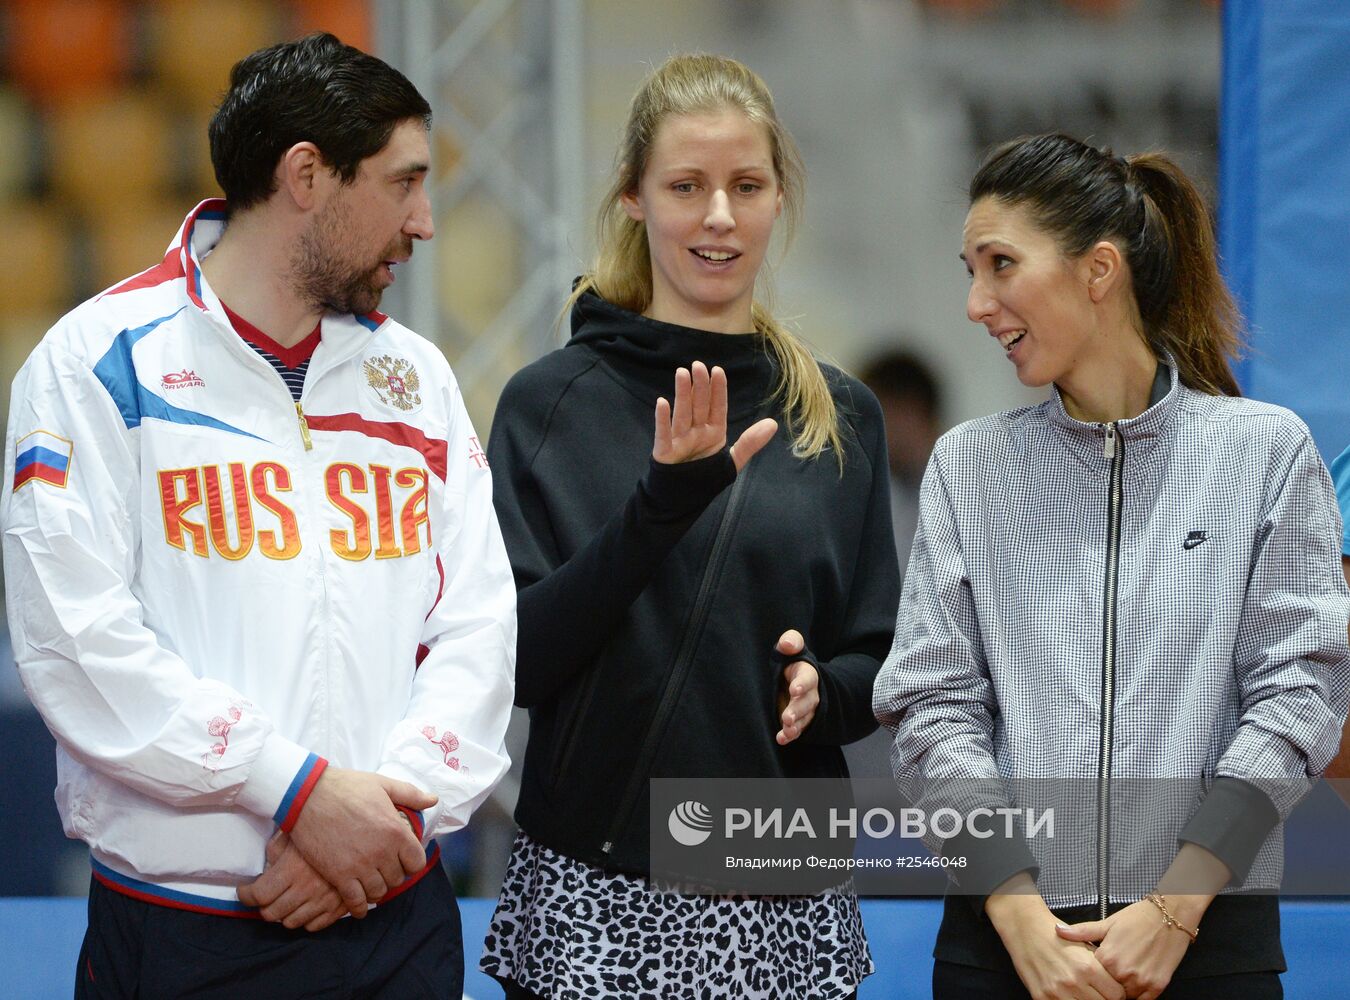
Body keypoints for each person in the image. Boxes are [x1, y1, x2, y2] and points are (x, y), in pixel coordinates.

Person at [1, 33, 516, 998]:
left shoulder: (417, 380)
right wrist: (293, 789)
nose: (427, 221)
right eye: (404, 184)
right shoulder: (95, 361)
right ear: (308, 176)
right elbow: (75, 640)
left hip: (397, 919)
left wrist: (383, 827)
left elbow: (479, 625)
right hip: (183, 933)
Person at [874, 133, 1350, 1000]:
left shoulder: (1267, 453)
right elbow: (930, 705)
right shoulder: (969, 467)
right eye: (969, 269)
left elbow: (1300, 695)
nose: (977, 303)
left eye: (1000, 265)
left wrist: (1175, 908)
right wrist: (1019, 917)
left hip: (1209, 948)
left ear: (1098, 271)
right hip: (1000, 953)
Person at [478, 53, 900, 999]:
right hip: (595, 885)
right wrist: (659, 509)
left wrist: (820, 692)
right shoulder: (550, 405)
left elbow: (880, 656)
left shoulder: (842, 414)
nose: (719, 216)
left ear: (779, 197)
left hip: (783, 879)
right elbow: (514, 663)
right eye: (686, 186)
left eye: (746, 186)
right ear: (633, 197)